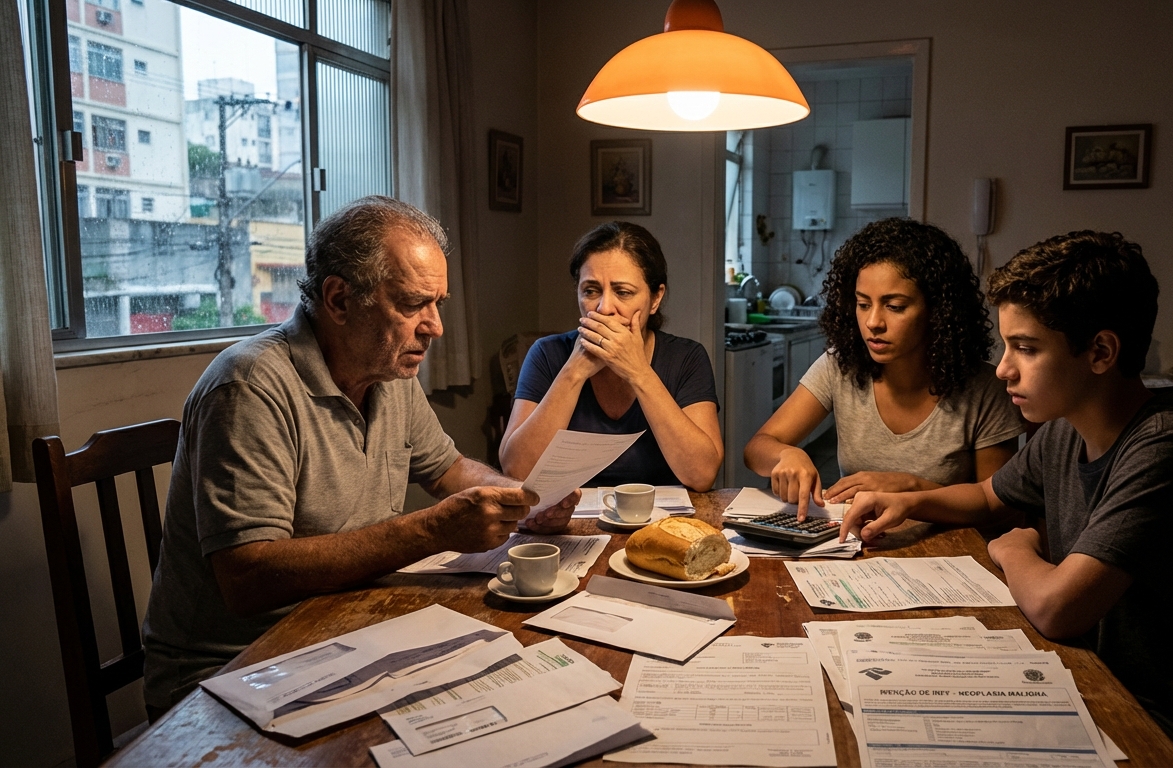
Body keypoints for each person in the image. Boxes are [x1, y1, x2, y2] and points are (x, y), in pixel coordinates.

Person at [838, 231, 1173, 767]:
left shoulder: (1166, 447)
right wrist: (910, 502)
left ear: (1100, 352)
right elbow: (987, 496)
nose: (1003, 368)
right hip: (1105, 682)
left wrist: (1013, 548)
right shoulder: (1067, 428)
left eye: (1025, 349)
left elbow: (1057, 609)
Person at [141, 196, 577, 716]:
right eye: (413, 304)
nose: (435, 326)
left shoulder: (388, 372)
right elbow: (246, 579)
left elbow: (448, 469)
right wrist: (431, 530)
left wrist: (525, 498)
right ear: (339, 299)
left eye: (438, 303)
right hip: (237, 669)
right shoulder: (249, 386)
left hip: (343, 630)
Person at [745, 218, 1023, 518]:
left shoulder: (985, 389)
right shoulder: (840, 366)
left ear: (938, 311)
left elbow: (999, 510)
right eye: (863, 304)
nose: (873, 322)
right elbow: (756, 449)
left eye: (895, 306)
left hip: (945, 544)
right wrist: (786, 454)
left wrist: (911, 487)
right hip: (856, 539)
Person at [500, 222, 722, 491]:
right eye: (590, 291)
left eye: (623, 292)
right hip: (568, 511)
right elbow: (516, 470)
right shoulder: (547, 354)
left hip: (662, 513)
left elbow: (702, 475)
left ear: (655, 299)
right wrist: (574, 372)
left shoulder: (686, 358)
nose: (604, 308)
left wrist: (638, 372)